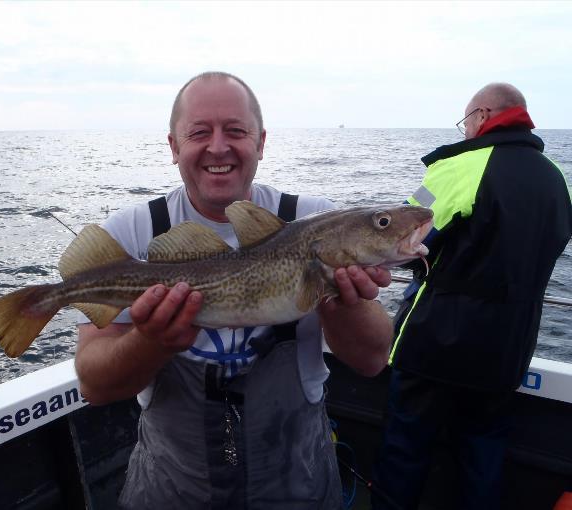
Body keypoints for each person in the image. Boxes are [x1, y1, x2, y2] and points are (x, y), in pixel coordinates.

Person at [74, 71, 395, 509]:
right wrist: (151, 340)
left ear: (261, 142)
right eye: (199, 132)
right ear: (174, 146)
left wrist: (344, 303)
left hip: (296, 483)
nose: (219, 146)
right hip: (173, 488)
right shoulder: (131, 233)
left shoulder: (311, 220)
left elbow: (373, 359)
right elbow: (94, 384)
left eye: (236, 131)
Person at [372, 83, 572, 510]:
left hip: (436, 343)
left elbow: (396, 237)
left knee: (405, 450)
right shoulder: (557, 179)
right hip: (509, 347)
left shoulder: (458, 167)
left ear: (482, 115)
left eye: (466, 121)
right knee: (483, 457)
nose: (464, 131)